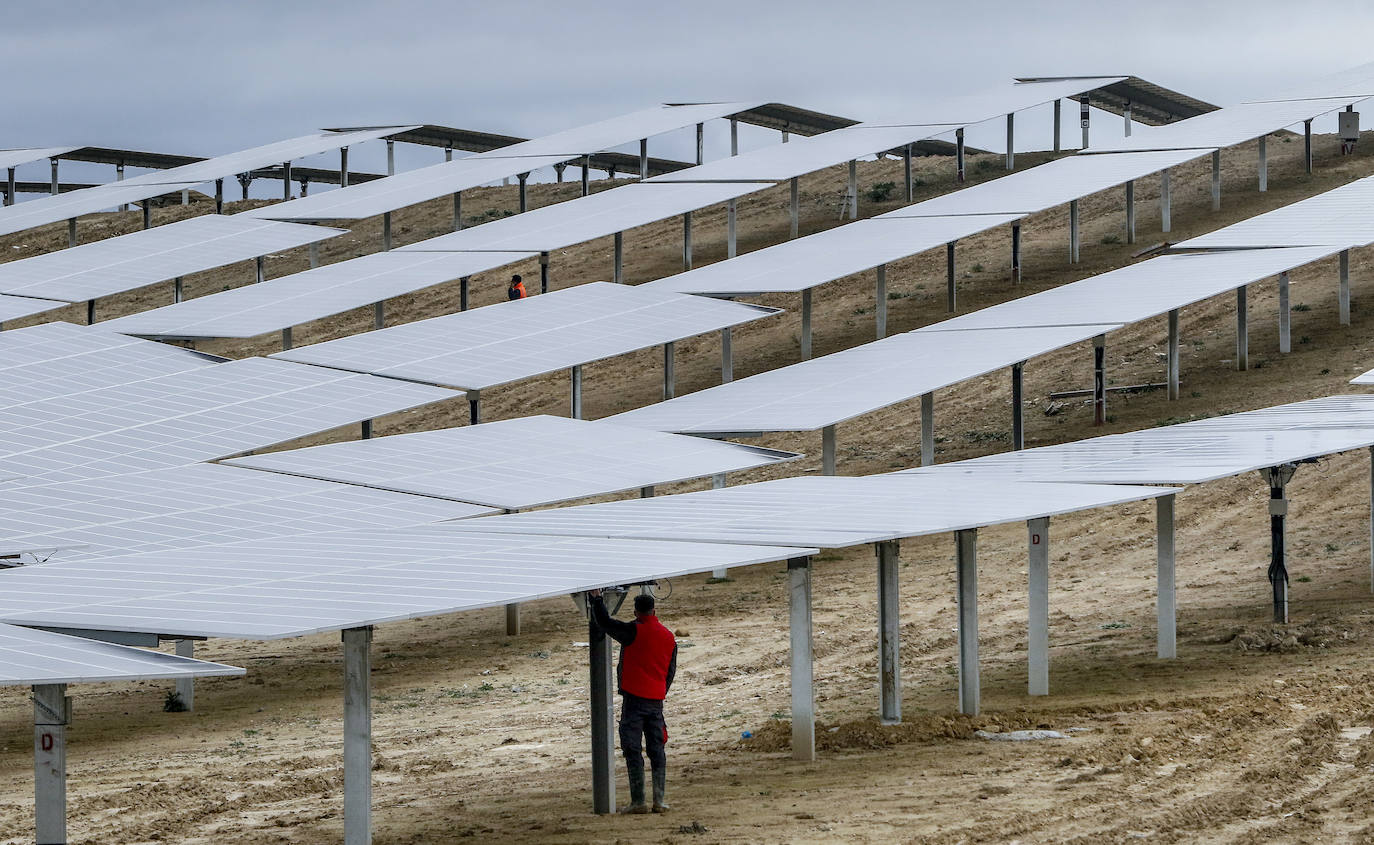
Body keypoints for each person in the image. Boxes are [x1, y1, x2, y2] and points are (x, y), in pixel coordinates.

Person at [588, 588, 677, 814]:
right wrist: (659, 691)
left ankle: (638, 801)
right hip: (656, 702)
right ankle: (660, 800)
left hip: (635, 701)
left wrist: (597, 598)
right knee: (657, 749)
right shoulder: (668, 637)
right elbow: (670, 671)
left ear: (636, 612)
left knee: (633, 748)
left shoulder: (632, 631)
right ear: (654, 610)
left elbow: (605, 622)